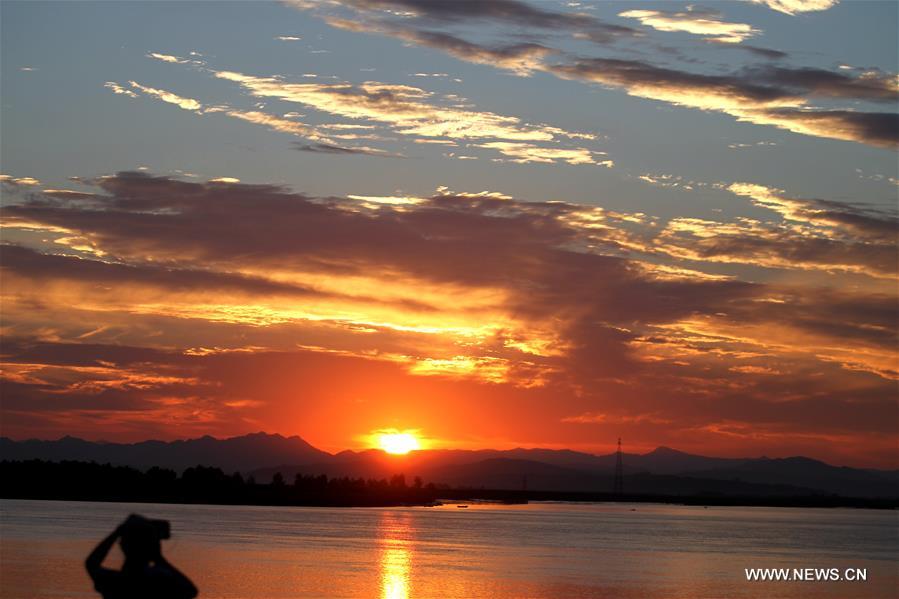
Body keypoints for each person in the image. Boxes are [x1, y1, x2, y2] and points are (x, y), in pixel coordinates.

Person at [85, 514, 198, 599]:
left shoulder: (113, 582)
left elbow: (91, 563)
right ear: (153, 547)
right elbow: (191, 591)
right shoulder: (160, 581)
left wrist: (117, 532)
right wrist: (159, 557)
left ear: (122, 546)